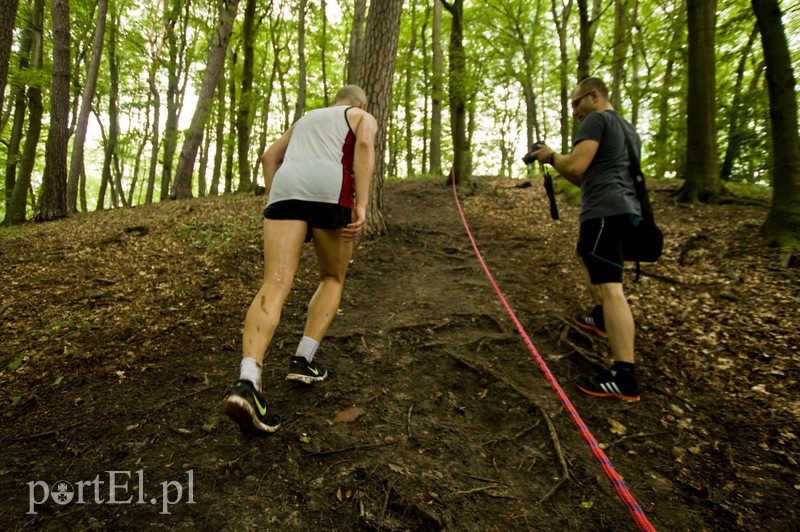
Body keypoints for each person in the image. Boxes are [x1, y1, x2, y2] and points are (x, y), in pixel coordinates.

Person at [223, 85, 377, 433]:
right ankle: (304, 359)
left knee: (274, 282)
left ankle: (248, 382)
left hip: (286, 189)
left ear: (335, 99)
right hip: (330, 190)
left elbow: (268, 157)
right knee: (332, 277)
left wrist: (275, 196)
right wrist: (363, 205)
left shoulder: (305, 118)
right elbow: (364, 145)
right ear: (360, 103)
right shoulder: (361, 116)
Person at [531, 77, 642, 402]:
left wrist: (552, 155)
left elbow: (577, 163)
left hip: (605, 212)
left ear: (594, 96)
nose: (575, 111)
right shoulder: (626, 127)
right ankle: (601, 316)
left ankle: (624, 376)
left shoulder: (597, 119)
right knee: (585, 255)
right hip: (623, 210)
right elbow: (583, 176)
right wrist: (551, 161)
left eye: (577, 102)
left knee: (611, 288)